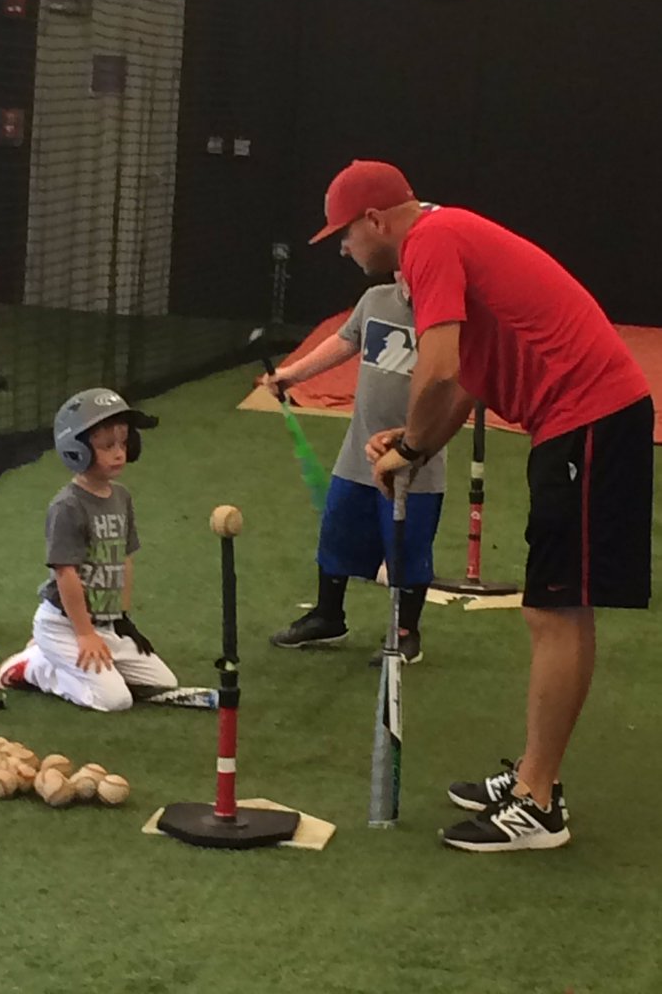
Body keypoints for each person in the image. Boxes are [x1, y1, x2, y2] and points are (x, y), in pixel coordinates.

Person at [309, 159, 654, 852]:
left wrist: (408, 445)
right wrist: (412, 445)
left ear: (376, 220)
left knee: (554, 607)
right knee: (557, 605)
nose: (344, 249)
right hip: (578, 421)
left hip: (587, 417)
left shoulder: (432, 242)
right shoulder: (440, 243)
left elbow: (436, 370)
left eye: (344, 235)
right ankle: (534, 777)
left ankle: (538, 805)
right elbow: (466, 376)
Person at [266, 275, 446, 666]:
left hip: (416, 459)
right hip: (356, 453)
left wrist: (416, 445)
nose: (410, 273)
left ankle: (405, 633)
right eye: (404, 263)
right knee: (338, 533)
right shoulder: (375, 300)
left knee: (408, 546)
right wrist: (293, 374)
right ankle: (328, 615)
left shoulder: (449, 318)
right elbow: (346, 340)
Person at [0, 388, 178, 712]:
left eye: (123, 443)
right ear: (76, 449)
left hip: (106, 623)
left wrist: (122, 618)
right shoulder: (68, 506)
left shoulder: (121, 497)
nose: (119, 453)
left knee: (162, 683)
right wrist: (84, 634)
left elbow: (125, 559)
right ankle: (36, 666)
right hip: (65, 623)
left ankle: (73, 661)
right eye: (108, 446)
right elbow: (65, 573)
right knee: (115, 700)